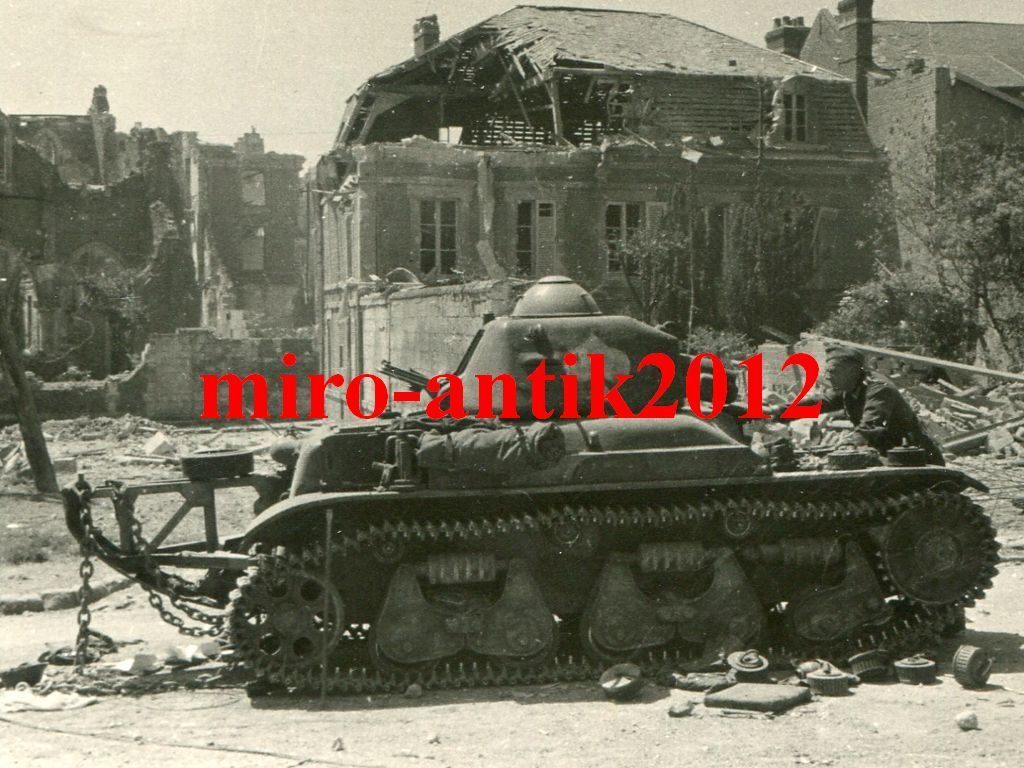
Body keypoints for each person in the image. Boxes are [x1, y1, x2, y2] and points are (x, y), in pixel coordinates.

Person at [779, 345, 945, 465]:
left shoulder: (878, 388)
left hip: (913, 460)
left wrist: (847, 444)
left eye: (833, 371)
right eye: (827, 371)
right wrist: (774, 412)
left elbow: (871, 425)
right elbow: (820, 403)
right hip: (888, 457)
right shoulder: (850, 387)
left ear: (852, 371)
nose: (827, 376)